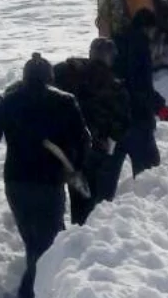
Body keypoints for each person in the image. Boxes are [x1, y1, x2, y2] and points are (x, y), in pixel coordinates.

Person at [0, 53, 92, 298]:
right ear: (50, 78)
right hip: (48, 182)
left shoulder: (9, 101)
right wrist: (76, 168)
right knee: (45, 244)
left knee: (35, 241)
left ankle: (39, 297)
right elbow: (84, 140)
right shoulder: (65, 102)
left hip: (16, 183)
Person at [53, 38, 131, 224]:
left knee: (78, 198)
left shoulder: (69, 73)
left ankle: (76, 231)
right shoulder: (113, 85)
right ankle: (88, 234)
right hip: (97, 151)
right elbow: (123, 122)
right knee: (96, 201)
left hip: (71, 150)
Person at [113, 8, 167, 177]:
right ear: (147, 28)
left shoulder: (117, 41)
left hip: (115, 117)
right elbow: (140, 84)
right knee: (150, 171)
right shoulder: (140, 45)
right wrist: (158, 105)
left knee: (109, 173)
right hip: (138, 117)